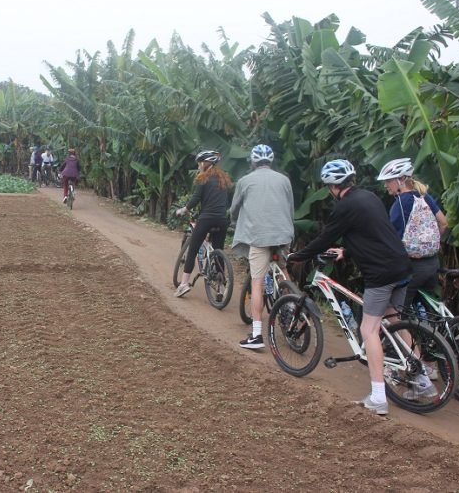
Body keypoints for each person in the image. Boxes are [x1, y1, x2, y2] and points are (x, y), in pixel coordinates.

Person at [286, 159, 423, 416]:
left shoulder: (344, 207)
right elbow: (375, 235)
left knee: (368, 329)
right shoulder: (370, 197)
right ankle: (423, 380)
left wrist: (299, 256)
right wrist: (346, 252)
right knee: (394, 319)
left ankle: (379, 397)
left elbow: (325, 237)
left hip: (380, 274)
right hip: (401, 267)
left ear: (333, 187)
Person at [229, 144, 295, 349]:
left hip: (259, 238)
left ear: (253, 161)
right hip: (283, 235)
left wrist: (233, 218)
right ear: (271, 161)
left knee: (257, 281)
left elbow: (235, 208)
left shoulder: (245, 181)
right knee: (283, 270)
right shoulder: (284, 180)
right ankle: (293, 306)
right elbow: (290, 208)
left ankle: (257, 335)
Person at [377, 157, 448, 312]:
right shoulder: (424, 196)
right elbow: (443, 223)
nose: (385, 185)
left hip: (413, 268)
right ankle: (433, 335)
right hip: (433, 263)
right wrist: (432, 242)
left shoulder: (400, 204)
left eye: (388, 181)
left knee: (395, 313)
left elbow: (392, 239)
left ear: (401, 179)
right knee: (427, 311)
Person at [173, 150, 232, 298]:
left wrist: (183, 209)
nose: (199, 165)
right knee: (218, 251)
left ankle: (184, 284)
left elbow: (196, 199)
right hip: (222, 220)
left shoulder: (203, 179)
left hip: (206, 219)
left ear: (207, 164)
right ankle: (219, 288)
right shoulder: (224, 179)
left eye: (200, 162)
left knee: (193, 248)